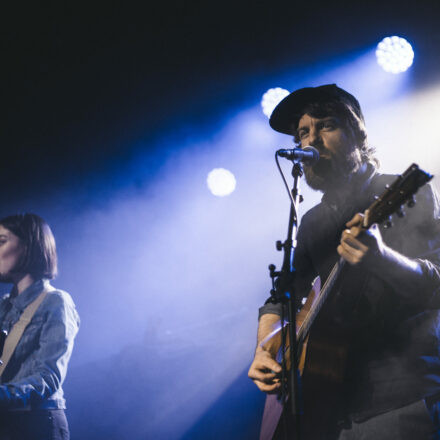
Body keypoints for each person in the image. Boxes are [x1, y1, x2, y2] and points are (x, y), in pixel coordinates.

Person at [248, 84, 440, 439]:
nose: (312, 141)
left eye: (326, 126)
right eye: (303, 132)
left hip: (400, 399)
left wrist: (382, 258)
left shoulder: (403, 191)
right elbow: (280, 297)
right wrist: (265, 350)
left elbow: (437, 284)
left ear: (358, 137)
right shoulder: (311, 222)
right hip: (330, 409)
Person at [0, 213, 80, 440]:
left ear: (28, 246)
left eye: (2, 241)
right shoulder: (4, 305)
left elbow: (48, 377)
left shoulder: (56, 302)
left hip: (37, 425)